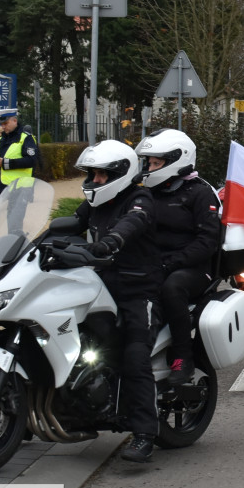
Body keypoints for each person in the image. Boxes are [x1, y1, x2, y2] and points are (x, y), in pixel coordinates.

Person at [72, 140, 162, 462]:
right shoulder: (94, 203)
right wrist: (38, 244)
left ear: (120, 175)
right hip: (98, 286)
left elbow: (132, 223)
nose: (94, 181)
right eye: (92, 174)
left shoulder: (139, 199)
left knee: (135, 354)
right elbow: (70, 223)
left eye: (101, 175)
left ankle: (143, 433)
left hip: (137, 290)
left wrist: (111, 242)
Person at [136, 129, 222, 386]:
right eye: (148, 162)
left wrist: (170, 263)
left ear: (178, 159)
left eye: (156, 163)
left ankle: (183, 358)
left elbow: (207, 242)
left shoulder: (200, 193)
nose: (150, 167)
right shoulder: (147, 192)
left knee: (171, 288)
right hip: (153, 263)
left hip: (193, 269)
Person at [0, 108, 38, 196]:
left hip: (20, 188)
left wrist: (5, 163)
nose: (3, 127)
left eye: (5, 123)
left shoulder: (26, 138)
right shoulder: (0, 140)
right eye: (1, 124)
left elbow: (31, 161)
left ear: (15, 121)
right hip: (1, 189)